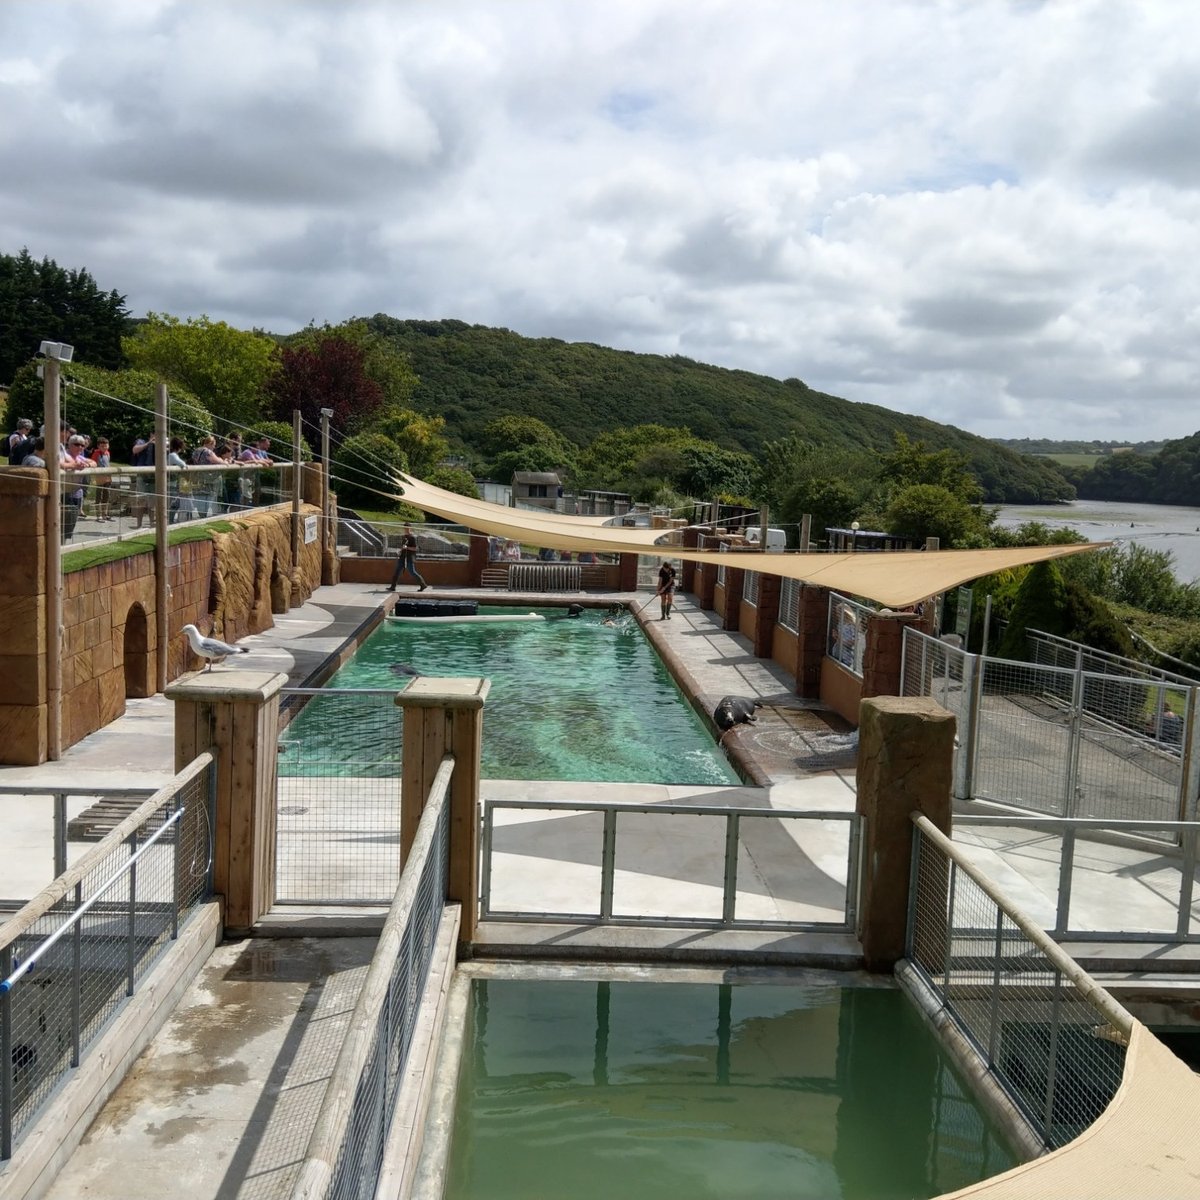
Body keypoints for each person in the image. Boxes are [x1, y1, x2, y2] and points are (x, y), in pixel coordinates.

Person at [60, 433, 89, 541]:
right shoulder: (64, 455)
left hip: (76, 494)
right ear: (70, 444)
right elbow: (60, 464)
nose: (80, 447)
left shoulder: (80, 457)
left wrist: (88, 464)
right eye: (77, 444)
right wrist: (75, 466)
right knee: (62, 526)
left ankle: (62, 547)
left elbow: (93, 462)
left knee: (70, 526)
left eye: (82, 445)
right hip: (63, 494)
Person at [387, 522, 427, 592]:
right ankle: (393, 587)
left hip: (409, 557)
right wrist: (400, 551)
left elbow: (415, 549)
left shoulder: (412, 538)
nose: (406, 529)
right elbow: (403, 547)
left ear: (410, 528)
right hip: (402, 557)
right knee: (397, 571)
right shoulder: (404, 537)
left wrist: (407, 547)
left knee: (412, 572)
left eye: (407, 528)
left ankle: (423, 585)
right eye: (405, 528)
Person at [191, 435, 223, 516]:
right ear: (210, 443)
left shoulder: (196, 450)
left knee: (199, 499)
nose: (214, 447)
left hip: (196, 477)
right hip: (207, 479)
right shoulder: (208, 452)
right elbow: (218, 461)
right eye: (214, 445)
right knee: (207, 499)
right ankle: (204, 517)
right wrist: (224, 460)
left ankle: (201, 515)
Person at [131, 433, 156, 528]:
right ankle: (139, 524)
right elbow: (135, 450)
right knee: (141, 500)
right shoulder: (142, 441)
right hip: (142, 475)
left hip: (154, 476)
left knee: (153, 501)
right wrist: (149, 443)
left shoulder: (161, 443)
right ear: (151, 434)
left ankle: (152, 523)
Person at [89, 437, 113, 521]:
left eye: (106, 445)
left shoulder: (108, 453)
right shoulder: (96, 454)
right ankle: (98, 515)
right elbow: (92, 463)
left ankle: (105, 514)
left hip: (108, 477)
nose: (105, 447)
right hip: (99, 477)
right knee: (99, 495)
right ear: (98, 446)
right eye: (102, 446)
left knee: (107, 495)